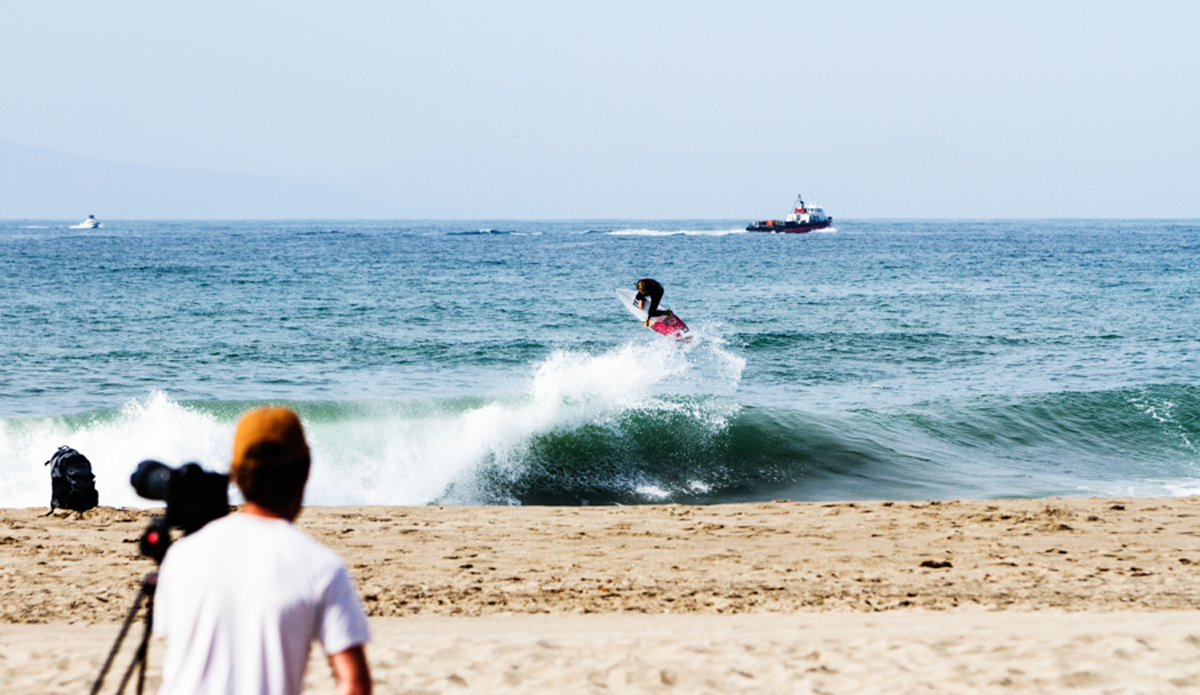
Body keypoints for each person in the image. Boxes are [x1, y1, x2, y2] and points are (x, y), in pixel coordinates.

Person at [155, 407, 372, 695]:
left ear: (235, 476)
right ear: (305, 472)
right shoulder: (321, 567)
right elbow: (355, 684)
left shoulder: (181, 556)